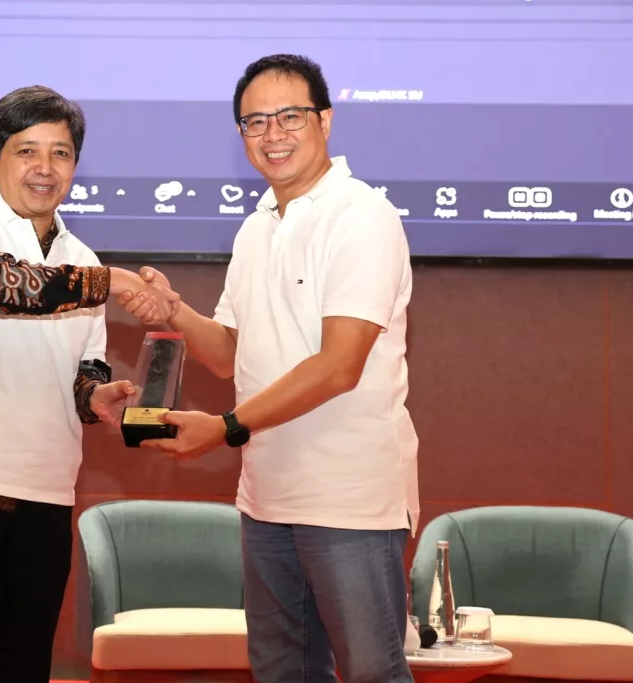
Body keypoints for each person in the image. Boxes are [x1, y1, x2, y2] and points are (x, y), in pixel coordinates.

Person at [122, 54, 418, 682]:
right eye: (255, 122)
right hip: (266, 497)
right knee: (281, 672)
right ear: (240, 136)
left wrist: (226, 426)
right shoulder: (256, 229)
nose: (273, 134)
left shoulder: (361, 216)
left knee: (372, 673)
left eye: (290, 116)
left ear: (326, 121)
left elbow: (340, 366)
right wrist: (176, 309)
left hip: (348, 501)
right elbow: (232, 350)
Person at [0, 85, 176, 683]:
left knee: (24, 668)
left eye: (61, 153)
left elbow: (88, 366)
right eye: (27, 151)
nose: (44, 168)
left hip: (46, 498)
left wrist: (96, 396)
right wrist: (118, 281)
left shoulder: (82, 255)